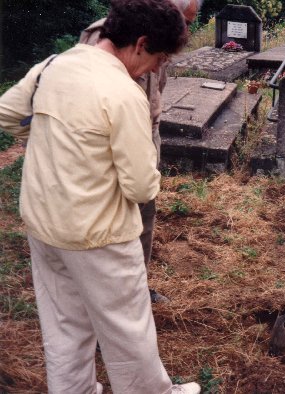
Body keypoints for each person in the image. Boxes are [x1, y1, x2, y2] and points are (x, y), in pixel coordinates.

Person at [0, 0, 201, 392]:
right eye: (160, 58)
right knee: (128, 331)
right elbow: (141, 187)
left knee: (64, 327)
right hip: (100, 236)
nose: (159, 68)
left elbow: (7, 114)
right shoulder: (123, 94)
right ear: (140, 43)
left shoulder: (52, 67)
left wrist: (57, 141)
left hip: (44, 225)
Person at [80, 0, 202, 304]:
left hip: (145, 131)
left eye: (190, 23)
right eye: (183, 20)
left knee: (143, 218)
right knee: (111, 225)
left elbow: (153, 90)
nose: (186, 30)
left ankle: (137, 286)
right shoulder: (109, 36)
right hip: (111, 141)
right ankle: (104, 302)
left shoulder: (161, 38)